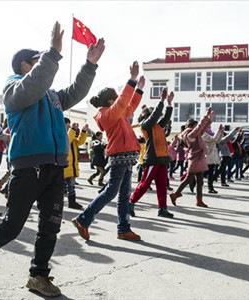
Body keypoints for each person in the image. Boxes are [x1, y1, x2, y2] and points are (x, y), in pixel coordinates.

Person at [0, 22, 105, 297]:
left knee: (50, 226)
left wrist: (89, 65)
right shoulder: (13, 89)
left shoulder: (51, 96)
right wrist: (53, 53)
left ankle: (38, 276)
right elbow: (34, 85)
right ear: (26, 65)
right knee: (12, 225)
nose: (47, 65)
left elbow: (74, 92)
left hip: (55, 167)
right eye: (39, 61)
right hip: (29, 168)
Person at [72, 61, 144, 242]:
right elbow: (123, 103)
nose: (121, 100)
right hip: (120, 156)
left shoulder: (117, 113)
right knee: (112, 191)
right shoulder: (107, 115)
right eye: (118, 98)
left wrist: (139, 90)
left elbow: (129, 106)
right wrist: (132, 81)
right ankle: (83, 219)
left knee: (124, 194)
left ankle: (123, 228)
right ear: (112, 101)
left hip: (127, 156)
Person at [129, 88, 175, 218]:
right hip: (152, 159)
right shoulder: (145, 125)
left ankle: (162, 209)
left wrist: (169, 103)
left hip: (162, 159)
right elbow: (155, 115)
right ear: (146, 115)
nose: (155, 115)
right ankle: (130, 203)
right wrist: (161, 100)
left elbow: (165, 117)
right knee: (144, 184)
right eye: (151, 112)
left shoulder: (158, 125)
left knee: (162, 186)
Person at [169, 108, 215, 208]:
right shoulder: (190, 134)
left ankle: (199, 200)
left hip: (199, 159)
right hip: (195, 159)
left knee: (200, 182)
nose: (196, 127)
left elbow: (203, 128)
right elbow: (200, 127)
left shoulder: (196, 134)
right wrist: (205, 116)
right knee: (188, 179)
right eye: (195, 126)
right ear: (191, 126)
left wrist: (209, 120)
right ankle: (175, 194)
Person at [64, 118, 87, 210]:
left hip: (72, 166)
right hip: (64, 166)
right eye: (68, 125)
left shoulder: (71, 134)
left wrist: (83, 132)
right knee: (61, 187)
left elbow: (79, 142)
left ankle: (72, 202)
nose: (69, 126)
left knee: (71, 186)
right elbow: (66, 141)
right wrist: (72, 130)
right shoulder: (62, 135)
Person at [202, 124, 224, 194]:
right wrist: (219, 130)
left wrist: (221, 131)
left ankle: (210, 188)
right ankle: (193, 183)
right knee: (202, 173)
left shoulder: (211, 133)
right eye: (208, 126)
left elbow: (218, 140)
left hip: (212, 156)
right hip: (207, 155)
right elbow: (213, 139)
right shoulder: (203, 133)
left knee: (210, 173)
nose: (210, 127)